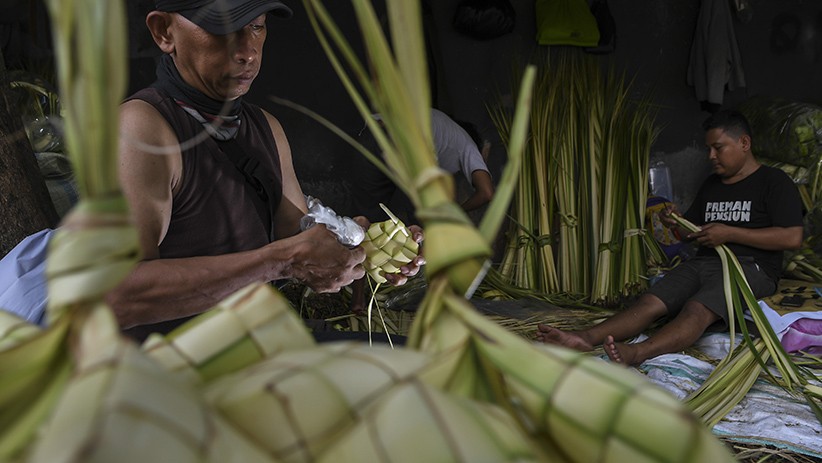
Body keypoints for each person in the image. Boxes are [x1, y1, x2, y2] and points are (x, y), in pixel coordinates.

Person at [108, 0, 424, 340]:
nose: (247, 52)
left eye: (256, 26)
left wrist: (359, 244)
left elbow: (297, 237)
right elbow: (119, 296)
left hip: (254, 348)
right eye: (223, 28)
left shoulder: (264, 128)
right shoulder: (141, 130)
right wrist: (281, 261)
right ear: (164, 32)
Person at [537, 110, 804, 366]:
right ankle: (583, 338)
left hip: (749, 268)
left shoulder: (774, 181)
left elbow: (792, 237)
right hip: (703, 263)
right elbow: (691, 233)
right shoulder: (712, 184)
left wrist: (730, 233)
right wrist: (676, 222)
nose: (711, 156)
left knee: (697, 309)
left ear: (744, 143)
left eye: (718, 148)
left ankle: (638, 352)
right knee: (649, 302)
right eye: (708, 149)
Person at [351, 108, 495, 224]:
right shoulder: (468, 145)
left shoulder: (439, 120)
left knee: (367, 217)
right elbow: (486, 193)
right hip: (408, 152)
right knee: (425, 225)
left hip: (374, 137)